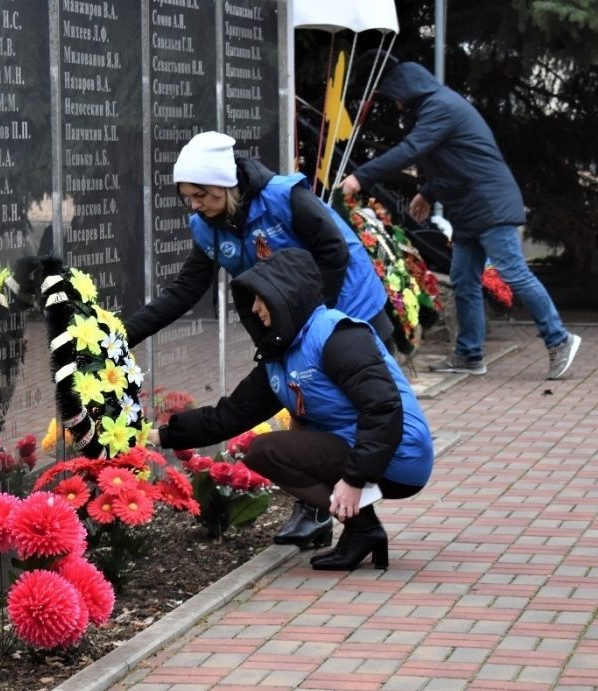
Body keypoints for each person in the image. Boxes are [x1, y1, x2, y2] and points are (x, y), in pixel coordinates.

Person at [125, 130, 392, 549]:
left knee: (335, 412)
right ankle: (328, 514)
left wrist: (316, 325)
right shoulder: (208, 227)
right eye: (187, 196)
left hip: (349, 307)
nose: (194, 205)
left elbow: (334, 255)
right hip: (297, 319)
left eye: (201, 194)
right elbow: (183, 292)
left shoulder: (285, 198)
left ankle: (339, 511)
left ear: (224, 185)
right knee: (303, 405)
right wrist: (123, 335)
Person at [150, 248, 434, 570]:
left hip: (399, 454)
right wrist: (159, 436)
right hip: (364, 449)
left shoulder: (336, 335)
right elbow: (229, 415)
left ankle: (361, 528)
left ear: (287, 295)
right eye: (252, 300)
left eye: (261, 298)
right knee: (265, 451)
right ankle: (364, 530)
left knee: (269, 450)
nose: (254, 309)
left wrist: (355, 479)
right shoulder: (280, 355)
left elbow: (383, 407)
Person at [341, 60, 581, 381]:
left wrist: (361, 177)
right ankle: (469, 355)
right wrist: (427, 191)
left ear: (407, 90)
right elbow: (452, 158)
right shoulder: (433, 107)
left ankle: (559, 339)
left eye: (395, 96)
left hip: (489, 204)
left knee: (513, 271)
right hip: (470, 207)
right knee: (465, 279)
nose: (395, 103)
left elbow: (415, 148)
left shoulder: (441, 106)